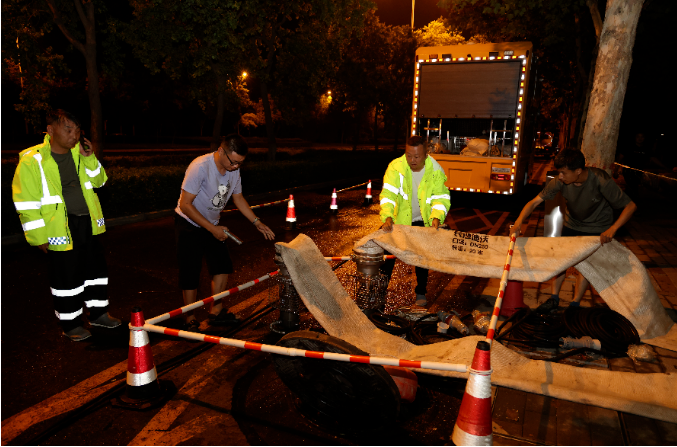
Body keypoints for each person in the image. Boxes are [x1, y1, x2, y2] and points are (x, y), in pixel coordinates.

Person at [12, 109, 120, 341]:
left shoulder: (79, 153)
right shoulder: (33, 160)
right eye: (68, 129)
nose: (74, 135)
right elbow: (26, 202)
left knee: (95, 273)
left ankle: (99, 314)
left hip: (87, 224)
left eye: (77, 130)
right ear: (51, 130)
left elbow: (100, 181)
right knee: (66, 278)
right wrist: (38, 236)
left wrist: (90, 157)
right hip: (59, 228)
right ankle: (71, 324)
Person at [512, 148, 637, 309]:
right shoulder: (560, 181)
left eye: (564, 172)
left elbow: (630, 206)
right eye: (560, 172)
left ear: (578, 171)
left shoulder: (600, 179)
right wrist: (518, 222)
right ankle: (554, 298)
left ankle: (575, 302)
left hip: (597, 227)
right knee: (561, 261)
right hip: (572, 224)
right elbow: (534, 202)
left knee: (586, 266)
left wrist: (613, 229)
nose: (560, 176)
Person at [175, 134, 275, 331]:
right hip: (188, 222)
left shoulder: (233, 171)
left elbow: (238, 198)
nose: (236, 167)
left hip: (213, 223)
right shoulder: (200, 167)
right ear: (221, 151)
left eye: (240, 163)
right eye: (234, 162)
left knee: (222, 267)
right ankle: (189, 316)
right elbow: (185, 205)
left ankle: (216, 311)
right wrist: (212, 229)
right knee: (190, 270)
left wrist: (257, 222)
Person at [379, 135, 451, 307]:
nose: (412, 160)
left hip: (422, 220)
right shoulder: (396, 167)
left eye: (416, 156)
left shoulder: (435, 170)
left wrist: (436, 217)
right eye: (408, 155)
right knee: (387, 258)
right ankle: (380, 293)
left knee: (421, 260)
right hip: (398, 221)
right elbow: (388, 195)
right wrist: (387, 216)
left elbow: (440, 198)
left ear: (426, 154)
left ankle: (421, 294)